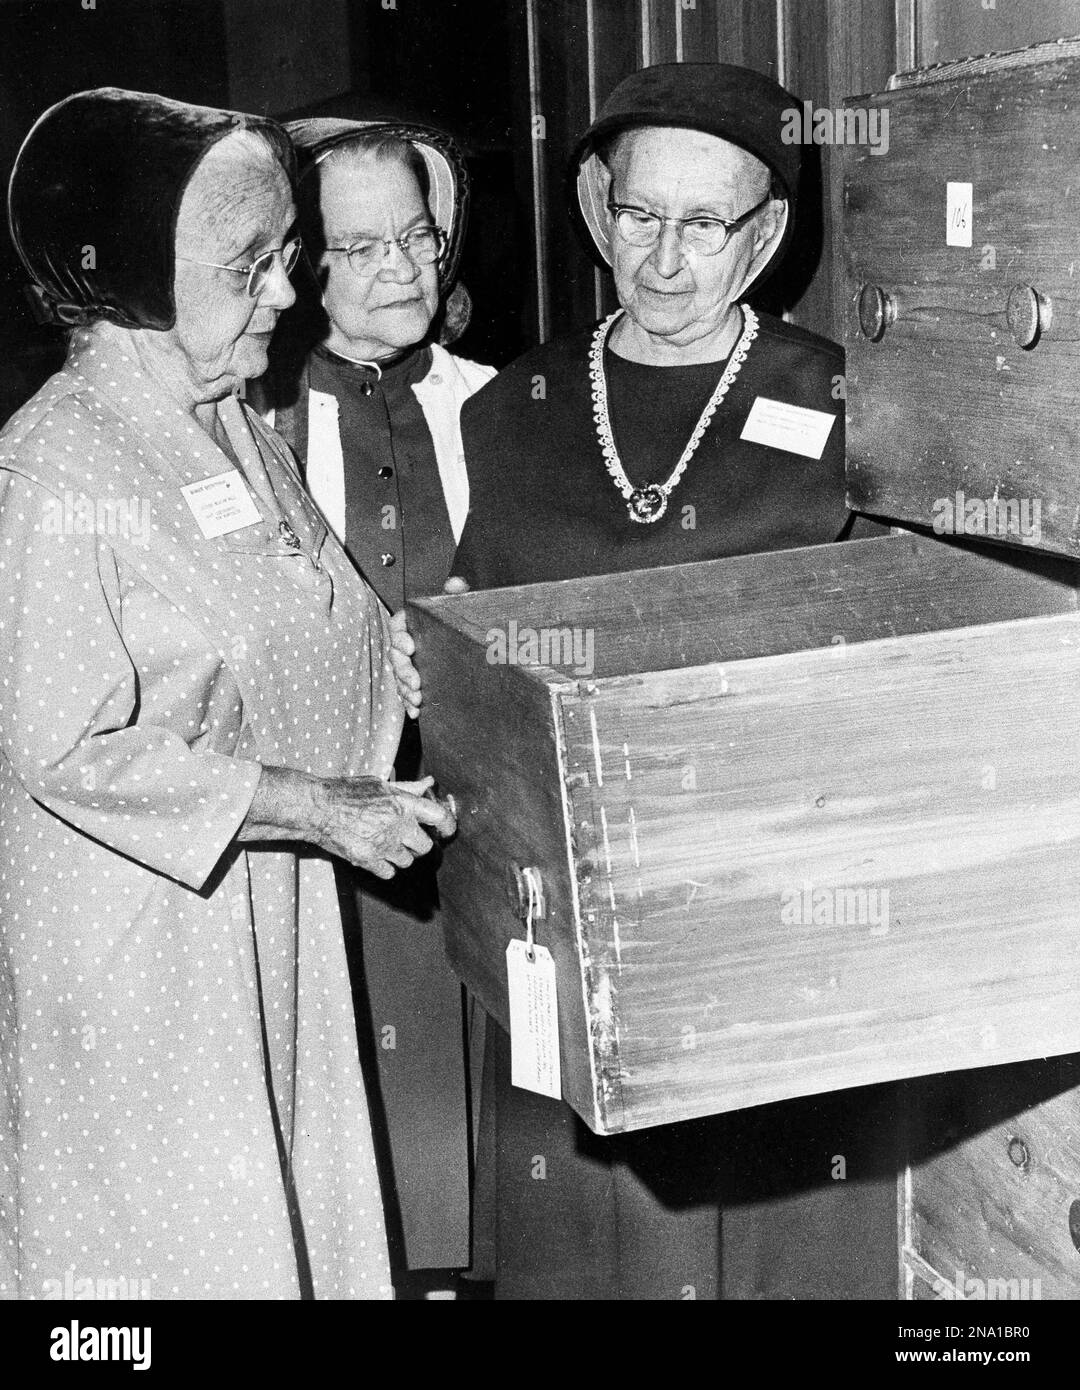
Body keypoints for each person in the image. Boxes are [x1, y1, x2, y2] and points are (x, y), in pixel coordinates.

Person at [0, 87, 454, 1301]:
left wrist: (404, 668)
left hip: (262, 915)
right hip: (145, 951)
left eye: (288, 259)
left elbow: (309, 606)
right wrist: (313, 804)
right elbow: (64, 747)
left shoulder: (229, 416)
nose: (292, 296)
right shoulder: (55, 466)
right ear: (138, 279)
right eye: (250, 266)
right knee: (165, 1263)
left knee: (276, 1229)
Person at [450, 63, 895, 1299]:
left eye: (705, 226)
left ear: (763, 236)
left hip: (769, 911)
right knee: (595, 1251)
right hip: (562, 908)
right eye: (641, 215)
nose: (664, 258)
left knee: (777, 1245)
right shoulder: (512, 408)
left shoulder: (852, 400)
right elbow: (473, 638)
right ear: (599, 208)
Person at [254, 116, 495, 1279]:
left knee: (499, 1155)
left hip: (488, 836)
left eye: (417, 235)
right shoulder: (254, 434)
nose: (402, 268)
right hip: (326, 848)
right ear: (301, 267)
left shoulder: (508, 405)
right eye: (360, 249)